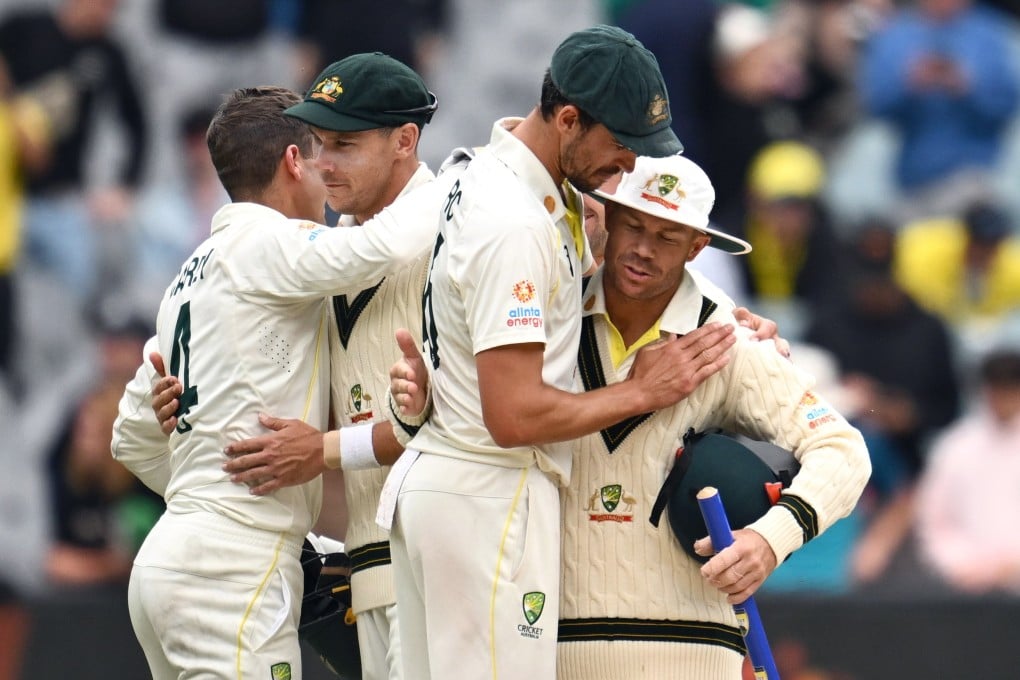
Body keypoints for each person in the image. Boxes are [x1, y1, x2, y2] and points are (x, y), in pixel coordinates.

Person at [391, 152, 871, 679]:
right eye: (634, 226)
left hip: (696, 653)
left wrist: (768, 541)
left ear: (697, 246)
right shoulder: (547, 317)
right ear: (610, 219)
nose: (643, 249)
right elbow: (479, 427)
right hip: (553, 646)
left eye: (667, 237)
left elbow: (844, 451)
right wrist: (415, 412)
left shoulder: (726, 341)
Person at [380, 24, 753, 680]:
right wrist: (642, 391)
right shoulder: (516, 222)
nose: (632, 167)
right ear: (569, 119)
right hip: (488, 493)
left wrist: (705, 311)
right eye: (621, 146)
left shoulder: (497, 180)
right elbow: (514, 414)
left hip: (451, 487)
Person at [109, 85, 446, 680]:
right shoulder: (271, 244)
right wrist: (462, 181)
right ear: (294, 161)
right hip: (230, 571)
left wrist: (206, 486)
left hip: (166, 563)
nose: (330, 175)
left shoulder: (187, 278)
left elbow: (130, 438)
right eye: (321, 154)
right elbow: (383, 245)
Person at [857, 0, 1019, 222]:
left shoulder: (990, 33)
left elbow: (1007, 105)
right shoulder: (897, 33)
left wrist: (967, 85)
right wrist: (908, 84)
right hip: (911, 184)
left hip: (973, 179)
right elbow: (875, 105)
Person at [914, 348, 1020, 595]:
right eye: (997, 389)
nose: (1003, 398)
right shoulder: (956, 446)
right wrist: (965, 565)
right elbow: (933, 522)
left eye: (1011, 389)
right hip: (968, 591)